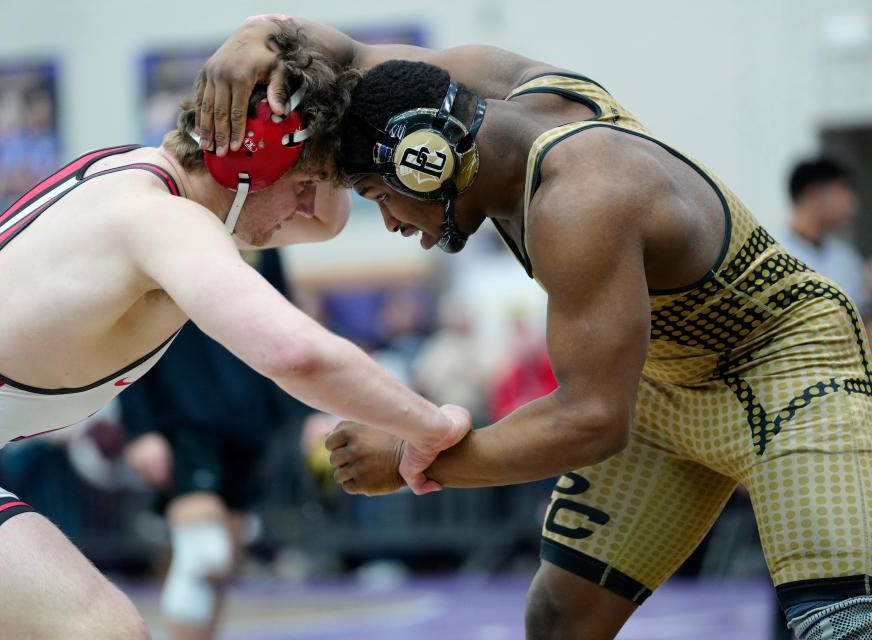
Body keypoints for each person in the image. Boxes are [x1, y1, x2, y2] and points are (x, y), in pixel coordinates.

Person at [197, 16, 872, 640]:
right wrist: (258, 36)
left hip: (786, 369)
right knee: (560, 618)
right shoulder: (480, 93)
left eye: (380, 198)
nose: (395, 225)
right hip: (665, 381)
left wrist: (410, 461)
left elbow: (593, 421)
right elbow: (346, 55)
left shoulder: (582, 198)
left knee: (838, 625)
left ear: (425, 162)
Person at [0, 25, 470, 640]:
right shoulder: (162, 222)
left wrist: (271, 30)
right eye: (305, 186)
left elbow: (325, 221)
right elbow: (295, 353)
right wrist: (429, 426)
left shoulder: (132, 173)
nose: (307, 209)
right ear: (252, 161)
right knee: (98, 629)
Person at [119, 249, 300, 640]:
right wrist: (140, 428)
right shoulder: (164, 224)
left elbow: (286, 318)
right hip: (181, 416)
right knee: (204, 555)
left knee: (224, 563)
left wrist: (302, 411)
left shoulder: (264, 234)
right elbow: (127, 332)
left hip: (247, 417)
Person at [775, 157, 865, 311]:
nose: (851, 202)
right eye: (843, 190)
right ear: (814, 196)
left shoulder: (847, 259)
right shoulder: (774, 255)